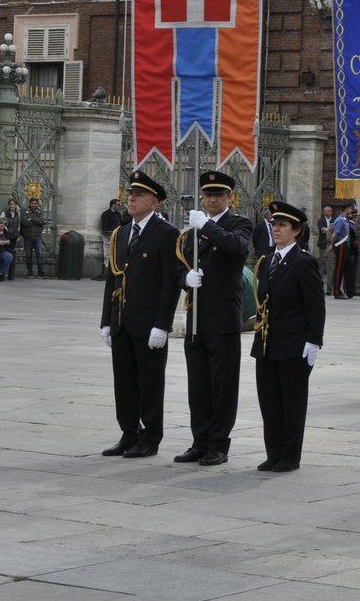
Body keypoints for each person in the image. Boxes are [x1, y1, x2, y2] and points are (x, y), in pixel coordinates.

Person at [99, 171, 181, 457]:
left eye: (139, 195)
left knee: (149, 382)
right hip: (121, 321)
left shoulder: (167, 233)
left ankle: (150, 437)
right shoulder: (122, 232)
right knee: (123, 381)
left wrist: (162, 325)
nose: (131, 199)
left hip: (148, 324)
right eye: (130, 194)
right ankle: (128, 433)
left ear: (154, 202)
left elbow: (170, 284)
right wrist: (106, 321)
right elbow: (113, 277)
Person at [174, 170, 253, 466]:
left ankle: (219, 444)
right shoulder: (193, 230)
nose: (212, 200)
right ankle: (200, 440)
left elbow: (237, 247)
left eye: (218, 195)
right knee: (199, 385)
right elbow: (177, 265)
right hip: (196, 317)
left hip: (223, 317)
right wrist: (186, 278)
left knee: (222, 385)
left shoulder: (239, 223)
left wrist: (206, 226)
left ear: (229, 198)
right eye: (208, 195)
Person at [249, 201, 325, 472]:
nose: (276, 228)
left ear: (296, 230)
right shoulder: (267, 259)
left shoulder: (304, 262)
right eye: (274, 224)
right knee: (269, 401)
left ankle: (290, 456)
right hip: (267, 344)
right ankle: (273, 452)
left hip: (294, 344)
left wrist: (314, 340)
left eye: (282, 225)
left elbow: (315, 305)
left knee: (291, 403)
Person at [20, 198, 48, 277]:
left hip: (37, 236)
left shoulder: (40, 212)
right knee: (28, 255)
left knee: (40, 255)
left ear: (37, 204)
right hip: (27, 236)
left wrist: (31, 219)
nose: (33, 205)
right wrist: (36, 221)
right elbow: (24, 222)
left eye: (35, 203)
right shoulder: (25, 212)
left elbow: (42, 221)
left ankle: (41, 273)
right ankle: (30, 273)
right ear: (29, 204)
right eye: (32, 203)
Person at [330, 205, 353, 299]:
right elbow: (335, 234)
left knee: (347, 268)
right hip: (341, 245)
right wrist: (332, 244)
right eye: (350, 208)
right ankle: (336, 291)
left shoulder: (345, 220)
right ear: (346, 209)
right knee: (339, 269)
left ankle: (348, 290)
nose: (351, 210)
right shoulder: (340, 220)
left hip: (345, 245)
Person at [96, 198, 122, 281]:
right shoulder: (106, 214)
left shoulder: (118, 214)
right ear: (113, 205)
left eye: (119, 205)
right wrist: (109, 233)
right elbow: (105, 227)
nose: (119, 206)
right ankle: (107, 270)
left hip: (116, 236)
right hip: (108, 236)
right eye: (118, 205)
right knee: (107, 253)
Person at [317, 204, 336, 294]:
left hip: (331, 245)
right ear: (324, 212)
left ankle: (329, 283)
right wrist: (330, 230)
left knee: (330, 264)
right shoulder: (320, 220)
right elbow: (322, 230)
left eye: (330, 211)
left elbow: (333, 231)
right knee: (322, 262)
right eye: (327, 211)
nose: (329, 212)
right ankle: (320, 281)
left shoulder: (334, 220)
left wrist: (328, 230)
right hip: (323, 244)